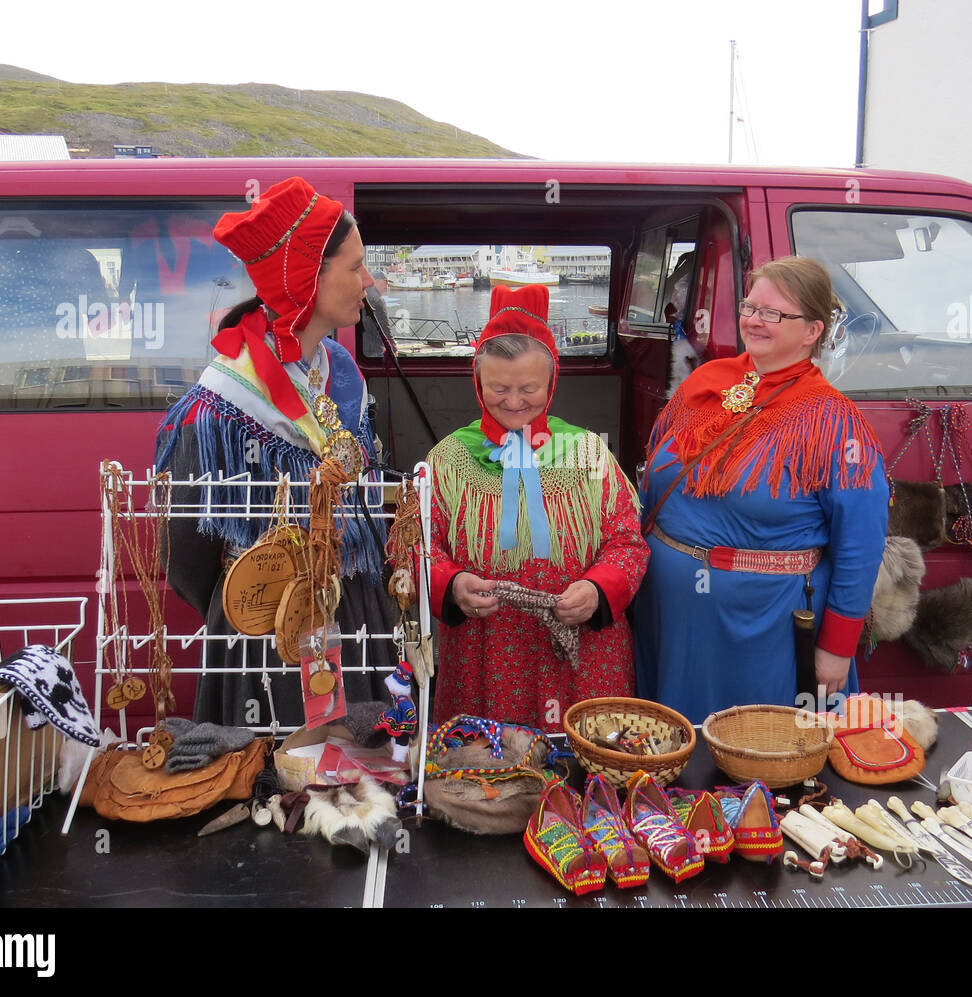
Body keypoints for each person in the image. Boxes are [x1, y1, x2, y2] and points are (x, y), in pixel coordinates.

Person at [154, 177, 398, 726]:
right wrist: (256, 599)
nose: (368, 282)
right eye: (355, 267)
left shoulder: (341, 373)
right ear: (308, 277)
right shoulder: (220, 406)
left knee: (361, 785)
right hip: (266, 629)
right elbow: (187, 557)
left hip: (356, 613)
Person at [633, 256, 888, 723]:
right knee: (669, 755)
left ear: (812, 331)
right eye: (751, 306)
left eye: (774, 313)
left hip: (761, 627)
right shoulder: (704, 384)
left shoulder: (833, 423)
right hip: (670, 614)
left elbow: (861, 543)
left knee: (758, 762)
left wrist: (836, 646)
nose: (754, 320)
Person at [427, 284, 649, 731]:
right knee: (485, 775)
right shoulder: (448, 460)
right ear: (477, 382)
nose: (513, 403)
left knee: (582, 767)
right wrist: (450, 584)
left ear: (551, 383)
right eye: (498, 388)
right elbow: (415, 550)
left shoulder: (587, 453)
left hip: (581, 650)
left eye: (528, 388)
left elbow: (628, 542)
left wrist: (597, 590)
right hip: (483, 650)